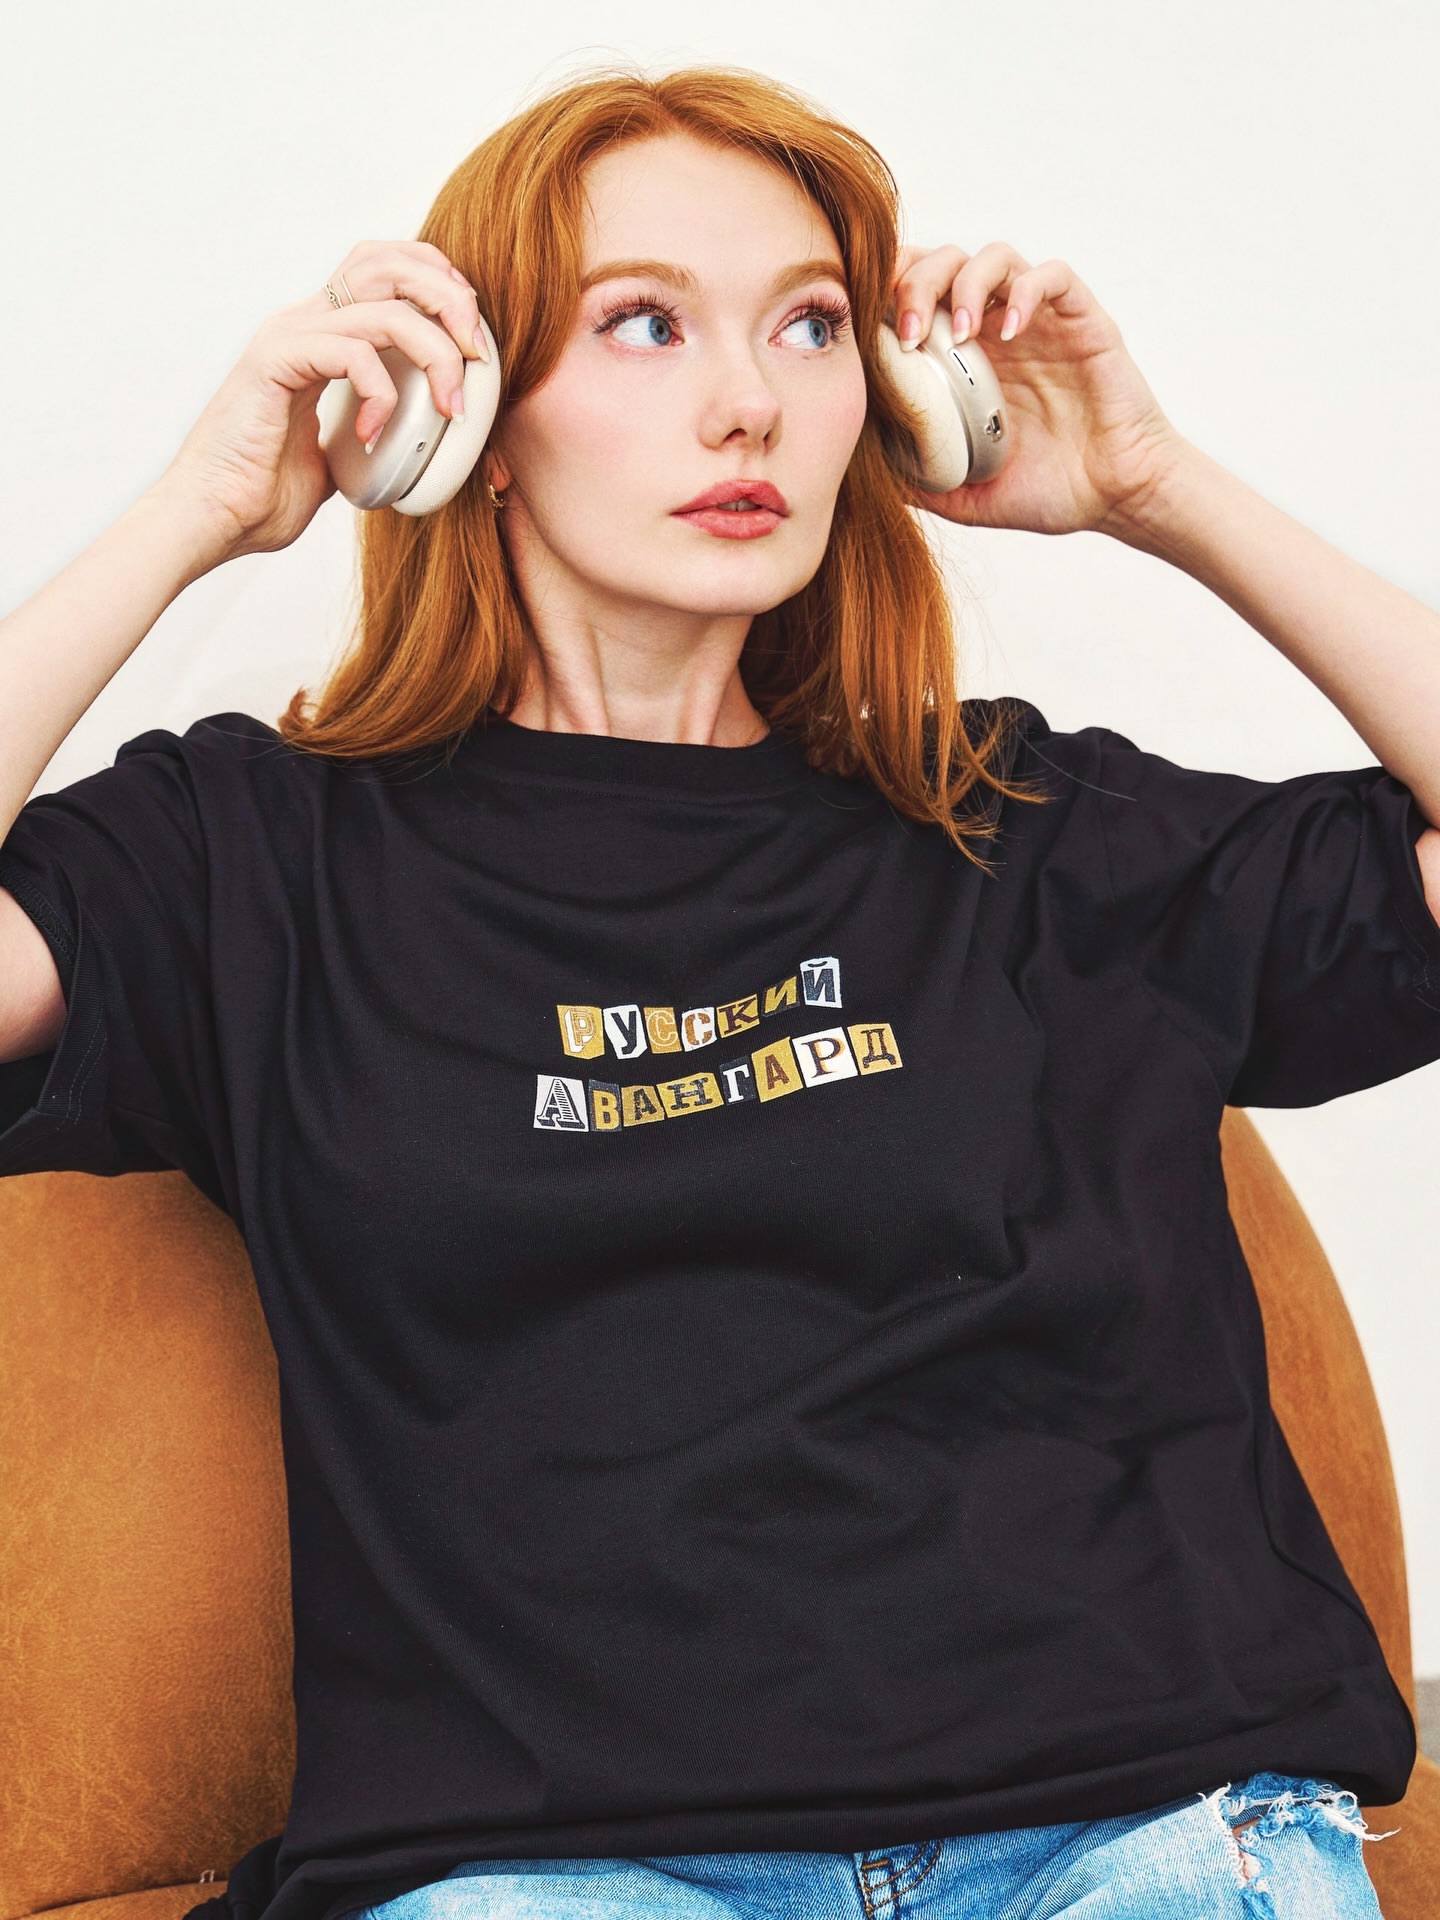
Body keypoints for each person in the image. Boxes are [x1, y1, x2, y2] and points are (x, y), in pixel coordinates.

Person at [2, 61, 1437, 1920]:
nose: (749, 398)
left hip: (1132, 1829)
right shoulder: (252, 859)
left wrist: (1162, 490)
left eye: (813, 325)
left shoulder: (1020, 824)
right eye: (646, 322)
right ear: (466, 414)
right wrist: (195, 510)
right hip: (554, 1878)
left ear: (890, 402)